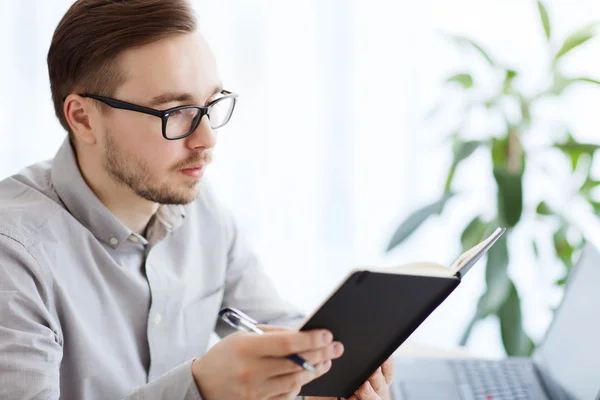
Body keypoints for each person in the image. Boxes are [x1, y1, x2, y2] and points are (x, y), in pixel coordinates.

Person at [0, 1, 394, 399]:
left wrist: (332, 364)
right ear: (83, 118)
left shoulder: (199, 211)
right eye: (176, 111)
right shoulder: (13, 253)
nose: (207, 139)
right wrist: (200, 389)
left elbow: (277, 325)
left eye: (210, 104)